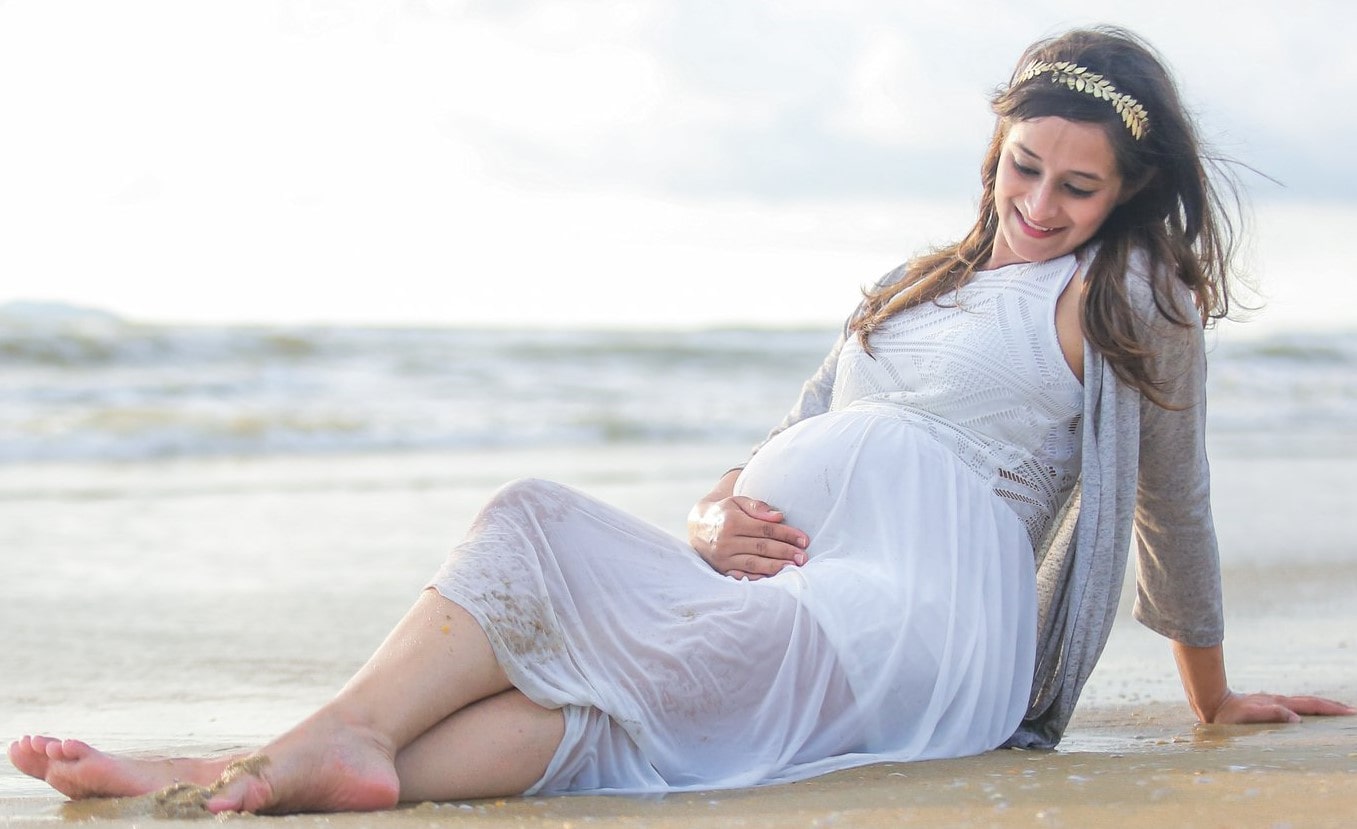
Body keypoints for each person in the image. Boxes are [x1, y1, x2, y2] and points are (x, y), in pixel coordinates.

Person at [9, 25, 1352, 814]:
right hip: (801, 590)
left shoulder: (1124, 291)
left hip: (928, 622)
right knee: (603, 703)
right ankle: (260, 769)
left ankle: (323, 735)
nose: (1040, 203)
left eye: (1076, 185)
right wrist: (715, 514)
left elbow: (1167, 492)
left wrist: (1212, 691)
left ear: (1125, 193)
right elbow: (792, 429)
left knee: (535, 524)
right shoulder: (910, 285)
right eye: (1022, 167)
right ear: (990, 148)